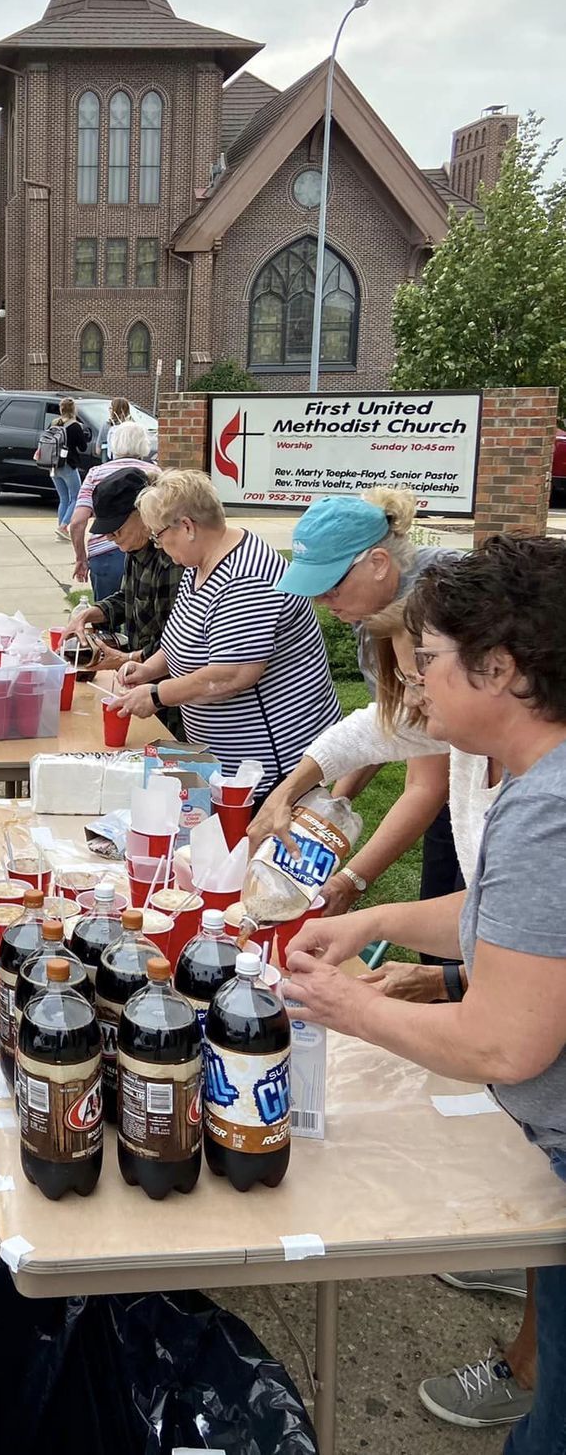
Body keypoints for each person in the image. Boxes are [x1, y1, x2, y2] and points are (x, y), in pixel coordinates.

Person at [281, 536, 566, 1453]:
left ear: (502, 669)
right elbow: (502, 921)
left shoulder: (550, 809)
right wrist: (373, 923)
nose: (417, 687)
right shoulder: (538, 780)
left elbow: (501, 1044)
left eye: (432, 661)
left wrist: (347, 1005)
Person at [277, 490, 463, 937]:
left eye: (331, 585)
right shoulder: (376, 613)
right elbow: (389, 726)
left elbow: (427, 774)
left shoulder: (437, 611)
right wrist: (331, 808)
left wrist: (353, 880)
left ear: (378, 562)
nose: (321, 599)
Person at [114, 470, 339, 796]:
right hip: (231, 762)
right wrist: (149, 669)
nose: (159, 547)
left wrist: (157, 695)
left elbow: (232, 674)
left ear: (187, 527)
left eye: (159, 536)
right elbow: (185, 639)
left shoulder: (245, 578)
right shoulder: (201, 564)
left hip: (270, 766)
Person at [63, 471, 183, 738]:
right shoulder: (133, 549)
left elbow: (176, 641)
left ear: (143, 512)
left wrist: (124, 658)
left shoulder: (172, 558)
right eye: (107, 531)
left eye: (117, 529)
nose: (112, 538)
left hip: (172, 695)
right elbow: (126, 597)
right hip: (141, 679)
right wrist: (90, 614)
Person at [68, 421, 159, 602]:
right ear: (144, 445)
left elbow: (78, 522)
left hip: (105, 555)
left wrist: (81, 557)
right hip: (147, 553)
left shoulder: (96, 473)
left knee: (105, 616)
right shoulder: (155, 473)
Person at [45, 396, 89, 540]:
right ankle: (63, 526)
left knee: (63, 498)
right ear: (74, 409)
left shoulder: (53, 423)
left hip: (53, 465)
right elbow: (83, 447)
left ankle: (61, 531)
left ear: (61, 409)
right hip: (68, 465)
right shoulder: (75, 426)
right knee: (76, 497)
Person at [97, 395, 131, 461]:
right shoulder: (132, 426)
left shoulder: (107, 425)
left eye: (111, 408)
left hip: (110, 460)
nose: (109, 410)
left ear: (115, 410)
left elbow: (98, 449)